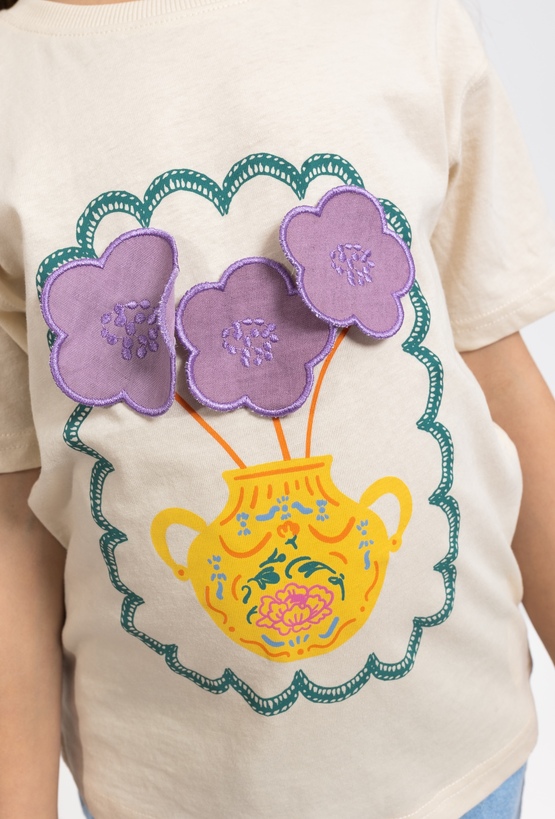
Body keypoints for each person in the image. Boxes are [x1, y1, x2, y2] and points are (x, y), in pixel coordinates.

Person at [1, 0, 554, 816]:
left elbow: (497, 375)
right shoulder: (16, 84)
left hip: (459, 761)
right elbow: (15, 520)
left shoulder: (402, 19)